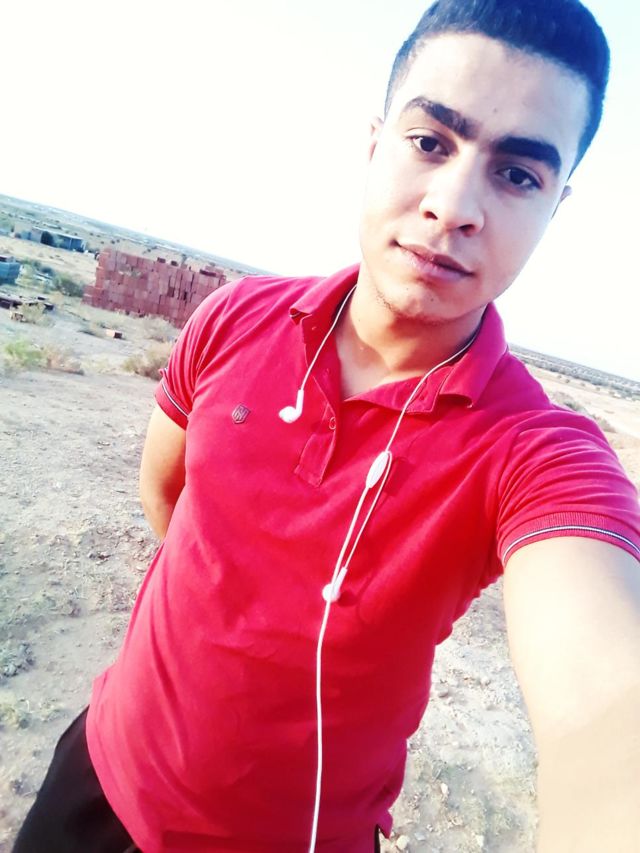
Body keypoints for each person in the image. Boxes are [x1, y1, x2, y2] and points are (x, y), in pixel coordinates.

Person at [14, 0, 640, 851]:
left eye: (517, 175)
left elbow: (606, 705)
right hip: (100, 777)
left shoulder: (535, 450)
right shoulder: (235, 319)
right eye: (430, 142)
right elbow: (167, 497)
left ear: (554, 207)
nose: (454, 205)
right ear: (375, 144)